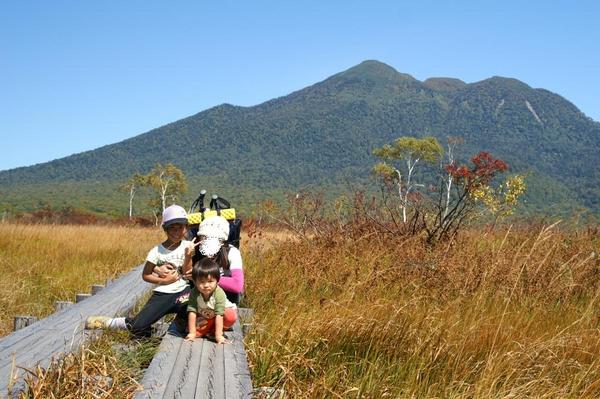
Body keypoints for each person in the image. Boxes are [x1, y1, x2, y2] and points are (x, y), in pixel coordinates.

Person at [85, 204, 194, 337]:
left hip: (184, 291)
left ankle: (180, 323)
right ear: (165, 229)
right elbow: (146, 275)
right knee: (138, 326)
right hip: (163, 293)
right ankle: (112, 323)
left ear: (186, 228)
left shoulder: (189, 246)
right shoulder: (156, 251)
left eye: (180, 228)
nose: (177, 232)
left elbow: (189, 272)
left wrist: (188, 257)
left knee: (196, 310)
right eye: (172, 228)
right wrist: (164, 281)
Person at [185, 215, 245, 306]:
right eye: (204, 237)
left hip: (226, 300)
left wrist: (203, 276)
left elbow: (237, 285)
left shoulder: (232, 252)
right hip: (200, 299)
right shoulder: (196, 251)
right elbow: (187, 275)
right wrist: (188, 257)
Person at [185, 258, 237, 343]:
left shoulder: (219, 293)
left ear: (217, 281)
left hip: (221, 314)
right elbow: (192, 311)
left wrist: (219, 336)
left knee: (230, 316)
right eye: (202, 282)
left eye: (210, 281)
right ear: (194, 282)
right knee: (196, 334)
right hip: (206, 314)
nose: (206, 285)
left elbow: (219, 314)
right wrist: (192, 333)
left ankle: (215, 330)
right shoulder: (194, 293)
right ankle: (209, 328)